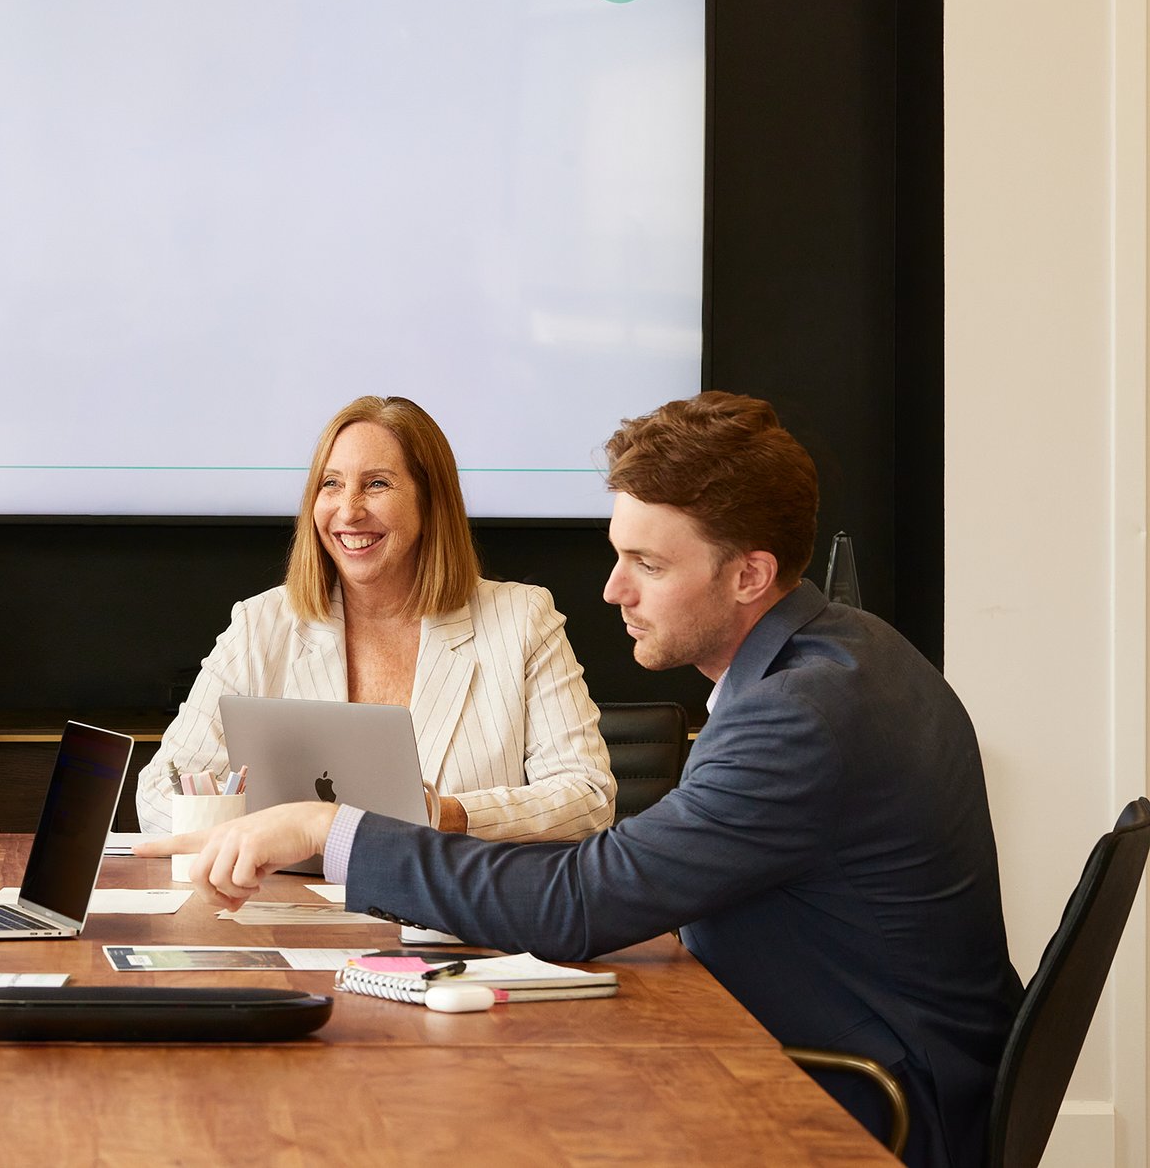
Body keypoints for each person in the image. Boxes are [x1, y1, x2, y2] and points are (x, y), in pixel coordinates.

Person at [139, 391, 1021, 1168]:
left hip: (853, 1100)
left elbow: (582, 899)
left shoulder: (801, 717)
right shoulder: (845, 649)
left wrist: (330, 830)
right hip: (823, 1046)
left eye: (649, 563)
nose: (612, 591)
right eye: (618, 554)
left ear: (749, 573)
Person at [136, 395, 614, 840]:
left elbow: (587, 796)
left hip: (452, 914)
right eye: (331, 484)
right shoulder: (260, 624)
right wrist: (281, 834)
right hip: (288, 913)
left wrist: (441, 814)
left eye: (377, 484)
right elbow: (160, 792)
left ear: (431, 501)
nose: (348, 510)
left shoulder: (522, 620)